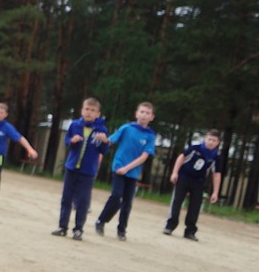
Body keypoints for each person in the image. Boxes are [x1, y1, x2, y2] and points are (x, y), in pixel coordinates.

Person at [94, 102, 157, 241]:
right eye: (142, 112)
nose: (144, 115)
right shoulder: (127, 128)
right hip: (118, 167)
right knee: (116, 196)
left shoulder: (150, 136)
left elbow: (144, 157)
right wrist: (104, 139)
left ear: (152, 117)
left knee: (127, 202)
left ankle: (122, 229)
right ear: (136, 113)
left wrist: (127, 168)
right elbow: (111, 141)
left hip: (132, 172)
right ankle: (101, 221)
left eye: (147, 113)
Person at [52, 98, 108, 241]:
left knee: (83, 202)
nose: (89, 112)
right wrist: (72, 140)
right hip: (71, 168)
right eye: (87, 109)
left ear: (98, 113)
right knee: (66, 198)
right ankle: (62, 227)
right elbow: (66, 141)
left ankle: (78, 229)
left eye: (93, 110)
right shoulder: (75, 125)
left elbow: (105, 151)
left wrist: (105, 141)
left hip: (88, 171)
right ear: (82, 110)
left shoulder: (101, 129)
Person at [164, 129, 223, 241]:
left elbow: (216, 174)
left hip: (199, 182)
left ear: (218, 143)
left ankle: (190, 231)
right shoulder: (195, 149)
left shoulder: (216, 157)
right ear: (205, 139)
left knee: (195, 206)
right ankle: (170, 226)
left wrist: (215, 192)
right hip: (184, 178)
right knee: (177, 202)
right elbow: (181, 158)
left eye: (214, 140)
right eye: (209, 139)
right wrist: (175, 172)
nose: (211, 142)